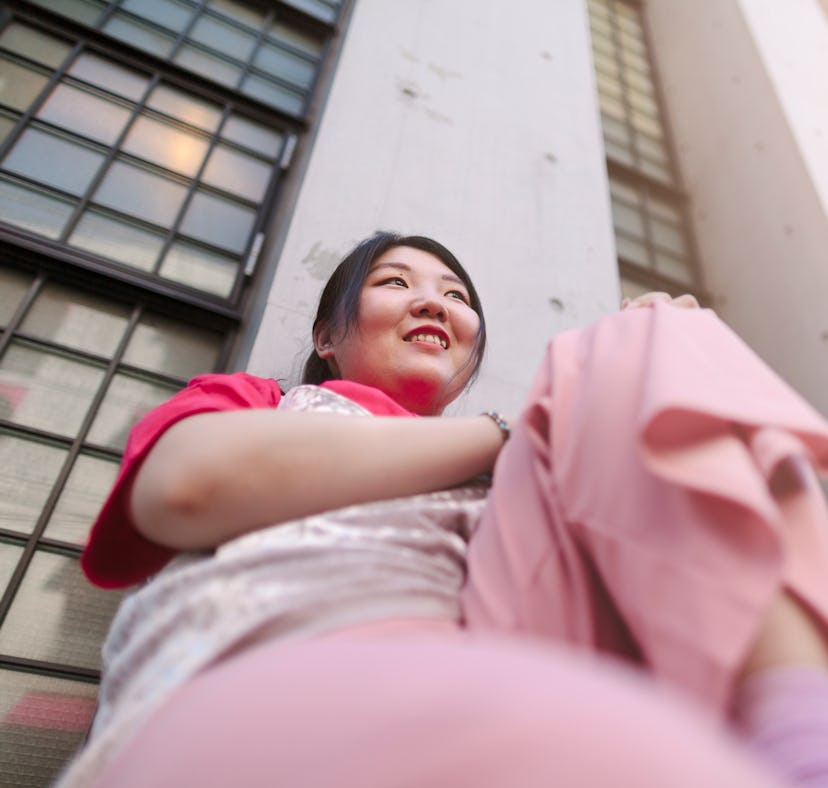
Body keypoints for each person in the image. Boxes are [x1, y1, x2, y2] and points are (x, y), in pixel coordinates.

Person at [57, 233, 828, 787]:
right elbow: (184, 490)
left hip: (505, 647)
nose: (433, 299)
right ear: (327, 335)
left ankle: (804, 733)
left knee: (646, 333)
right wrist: (495, 435)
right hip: (277, 659)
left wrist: (638, 355)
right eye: (395, 282)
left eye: (455, 296)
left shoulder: (518, 475)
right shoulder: (266, 400)